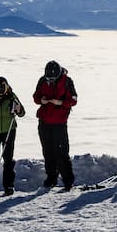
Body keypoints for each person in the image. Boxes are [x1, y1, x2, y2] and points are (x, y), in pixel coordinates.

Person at [33, 60, 78, 190]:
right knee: (48, 152)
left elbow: (74, 99)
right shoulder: (42, 80)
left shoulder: (67, 81)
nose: (51, 80)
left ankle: (68, 180)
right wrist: (41, 100)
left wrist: (60, 102)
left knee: (62, 153)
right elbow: (36, 96)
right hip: (44, 121)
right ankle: (51, 178)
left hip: (59, 122)